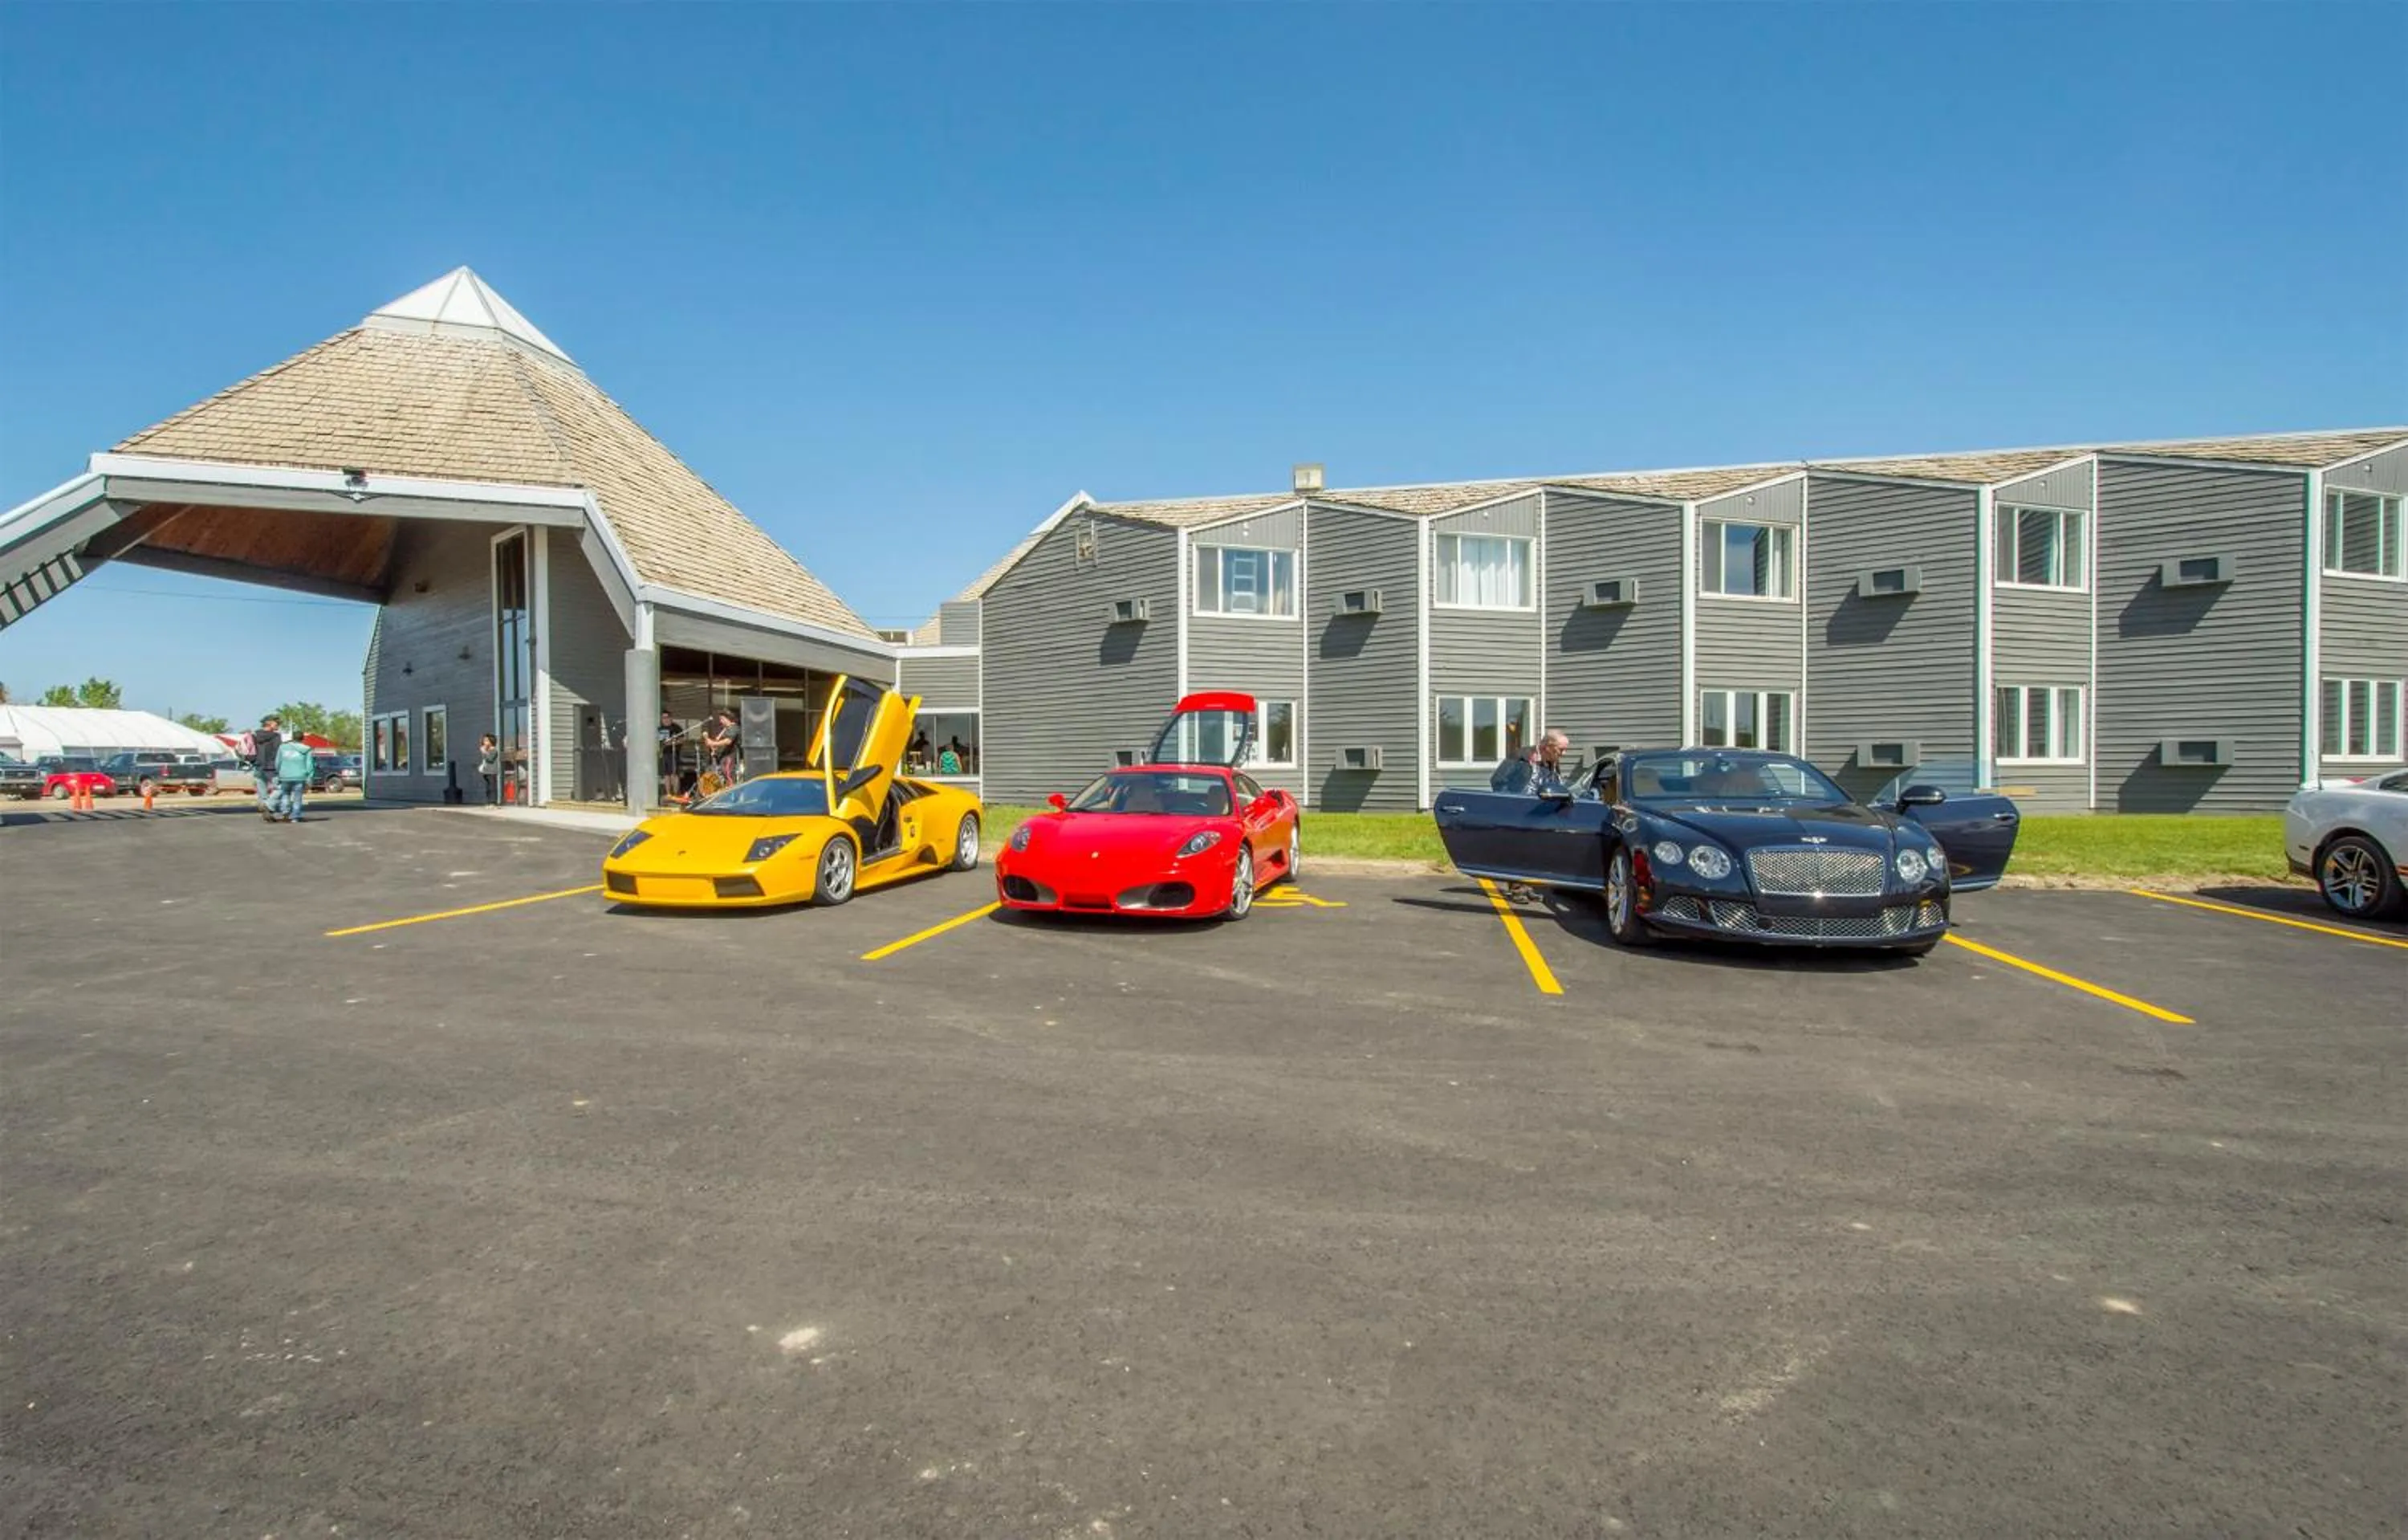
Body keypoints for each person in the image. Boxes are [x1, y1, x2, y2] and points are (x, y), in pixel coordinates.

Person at [1491, 727, 1571, 796]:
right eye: (1561, 749)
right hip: (1521, 804)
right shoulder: (1521, 756)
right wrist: (1511, 800)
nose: (1564, 753)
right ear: (1547, 747)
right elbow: (1498, 781)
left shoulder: (1553, 761)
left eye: (1565, 750)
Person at [273, 731, 316, 823]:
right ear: (302, 738)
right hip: (300, 776)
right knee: (297, 797)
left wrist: (278, 772)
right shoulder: (306, 749)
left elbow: (278, 762)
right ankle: (295, 816)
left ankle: (285, 812)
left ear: (292, 738)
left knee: (285, 794)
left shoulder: (282, 747)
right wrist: (310, 776)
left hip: (285, 776)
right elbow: (309, 764)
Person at [250, 715, 284, 821]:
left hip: (258, 766)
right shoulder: (276, 736)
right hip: (271, 767)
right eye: (276, 723)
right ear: (269, 723)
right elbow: (278, 752)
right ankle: (269, 806)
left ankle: (266, 811)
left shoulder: (255, 735)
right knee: (281, 788)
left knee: (262, 792)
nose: (278, 725)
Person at [475, 733, 500, 805]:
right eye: (484, 741)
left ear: (491, 741)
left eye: (486, 741)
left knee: (492, 787)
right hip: (486, 771)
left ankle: (493, 802)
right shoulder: (487, 750)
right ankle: (489, 801)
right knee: (488, 788)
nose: (485, 743)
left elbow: (490, 759)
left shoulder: (493, 750)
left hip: (492, 772)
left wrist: (484, 752)